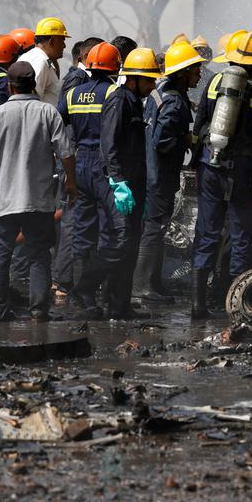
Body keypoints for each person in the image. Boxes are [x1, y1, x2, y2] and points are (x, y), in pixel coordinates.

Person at [0, 61, 77, 321]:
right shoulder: (48, 112)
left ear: (9, 86)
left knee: (0, 258)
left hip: (4, 199)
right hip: (38, 200)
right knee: (39, 257)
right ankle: (39, 311)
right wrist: (71, 183)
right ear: (34, 86)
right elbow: (66, 152)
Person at [190, 28, 252, 319]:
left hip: (210, 166)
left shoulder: (215, 80)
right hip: (242, 172)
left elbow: (199, 125)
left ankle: (198, 305)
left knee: (207, 233)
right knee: (242, 236)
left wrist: (200, 162)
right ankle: (235, 305)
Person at [72, 48, 159, 319]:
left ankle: (119, 304)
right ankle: (85, 287)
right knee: (120, 239)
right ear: (132, 78)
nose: (153, 85)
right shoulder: (119, 100)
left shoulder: (135, 101)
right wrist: (118, 182)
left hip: (133, 181)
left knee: (131, 241)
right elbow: (108, 144)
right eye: (148, 80)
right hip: (115, 179)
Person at [133, 40, 203, 302]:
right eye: (195, 71)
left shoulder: (162, 94)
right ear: (183, 73)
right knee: (154, 227)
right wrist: (185, 140)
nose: (199, 75)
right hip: (160, 175)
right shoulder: (174, 102)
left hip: (153, 172)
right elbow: (162, 140)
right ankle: (141, 286)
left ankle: (153, 282)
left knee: (155, 226)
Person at [60, 42, 121, 304]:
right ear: (114, 67)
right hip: (103, 164)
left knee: (82, 227)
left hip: (80, 162)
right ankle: (102, 291)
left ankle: (79, 292)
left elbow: (58, 120)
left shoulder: (73, 94)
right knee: (110, 228)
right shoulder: (113, 93)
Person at [18, 17, 69, 105]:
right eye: (62, 41)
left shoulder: (33, 57)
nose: (64, 46)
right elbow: (31, 100)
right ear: (51, 42)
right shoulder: (40, 62)